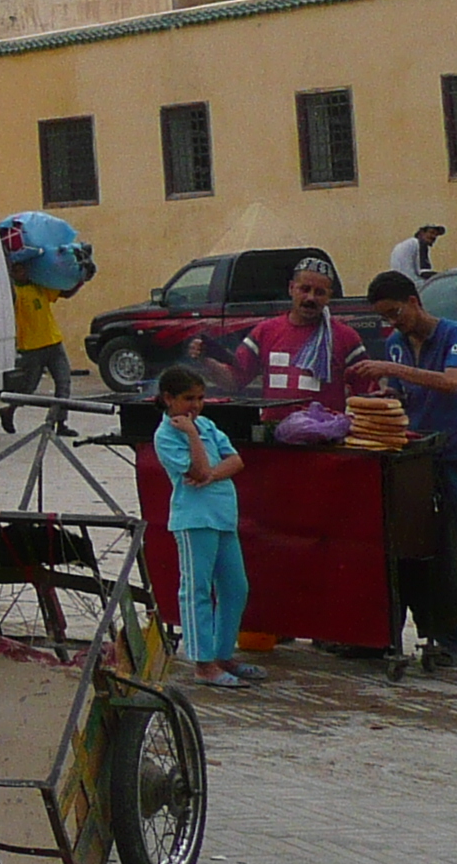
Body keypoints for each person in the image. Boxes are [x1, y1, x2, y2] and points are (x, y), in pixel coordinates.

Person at [356, 270, 457, 670]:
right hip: (414, 456)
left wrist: (395, 372)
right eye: (385, 318)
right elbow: (406, 392)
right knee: (413, 545)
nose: (393, 323)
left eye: (396, 312)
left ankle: (454, 640)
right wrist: (389, 393)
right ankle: (412, 629)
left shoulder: (455, 333)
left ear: (414, 301)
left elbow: (450, 383)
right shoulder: (396, 343)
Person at [152, 367, 262, 688]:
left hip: (223, 515)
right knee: (197, 590)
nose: (196, 406)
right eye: (188, 399)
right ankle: (203, 662)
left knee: (235, 587)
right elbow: (197, 469)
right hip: (195, 519)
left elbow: (235, 461)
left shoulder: (208, 424)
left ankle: (223, 653)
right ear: (169, 399)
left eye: (200, 398)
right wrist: (191, 435)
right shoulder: (167, 435)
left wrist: (212, 475)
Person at [196, 257, 355, 415]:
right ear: (291, 288)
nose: (311, 298)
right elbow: (234, 381)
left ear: (329, 296)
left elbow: (365, 391)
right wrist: (205, 360)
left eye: (319, 292)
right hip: (273, 433)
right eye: (304, 289)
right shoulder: (265, 332)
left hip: (325, 436)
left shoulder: (345, 337)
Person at [2, 276, 71, 435]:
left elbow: (64, 293)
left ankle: (60, 423)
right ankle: (9, 410)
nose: (22, 271)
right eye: (18, 268)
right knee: (28, 388)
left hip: (53, 342)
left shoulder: (39, 285)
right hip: (31, 348)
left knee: (63, 383)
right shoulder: (13, 292)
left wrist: (80, 279)